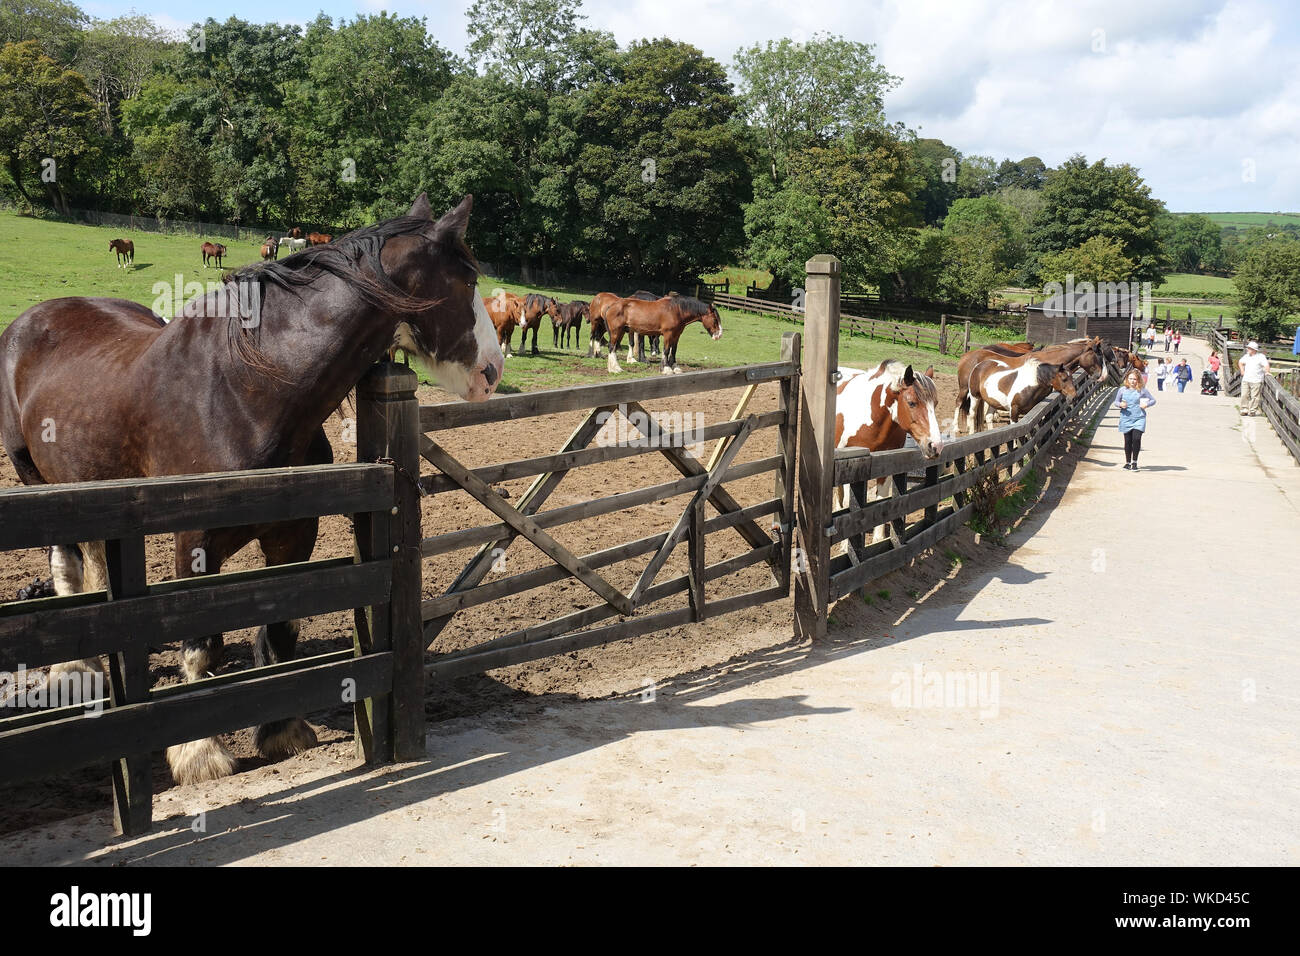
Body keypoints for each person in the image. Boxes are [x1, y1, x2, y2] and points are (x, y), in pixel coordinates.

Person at [1115, 368, 1156, 470]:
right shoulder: (1122, 390)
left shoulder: (1142, 390)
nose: (1132, 381)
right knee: (1128, 441)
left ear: (1138, 380)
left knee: (1136, 439)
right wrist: (1120, 404)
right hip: (1126, 418)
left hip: (1139, 418)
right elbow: (1116, 402)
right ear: (1127, 379)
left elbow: (1153, 400)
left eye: (1134, 379)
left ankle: (1134, 462)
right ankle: (1127, 462)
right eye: (1130, 379)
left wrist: (1146, 404)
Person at [1238, 341, 1270, 416]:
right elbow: (1240, 362)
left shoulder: (1261, 357)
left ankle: (1252, 411)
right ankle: (1244, 409)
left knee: (1254, 397)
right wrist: (1242, 370)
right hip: (1246, 379)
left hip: (1256, 379)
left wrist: (1267, 372)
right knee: (1244, 395)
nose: (1247, 349)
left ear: (1254, 349)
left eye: (1249, 348)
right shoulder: (1246, 356)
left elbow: (1266, 365)